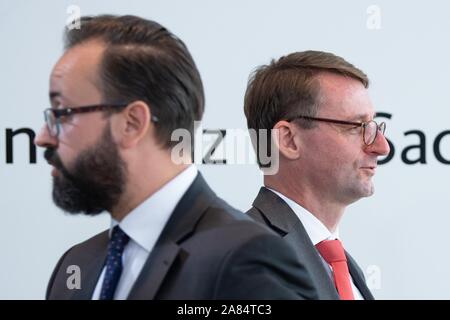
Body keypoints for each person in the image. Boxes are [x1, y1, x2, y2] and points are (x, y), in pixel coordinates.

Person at [35, 15, 318, 300]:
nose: (42, 137)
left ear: (132, 123)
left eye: (63, 113)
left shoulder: (248, 260)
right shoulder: (75, 266)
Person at [243, 51, 390, 300]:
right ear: (288, 139)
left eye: (375, 126)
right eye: (357, 127)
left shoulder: (343, 267)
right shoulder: (244, 257)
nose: (381, 146)